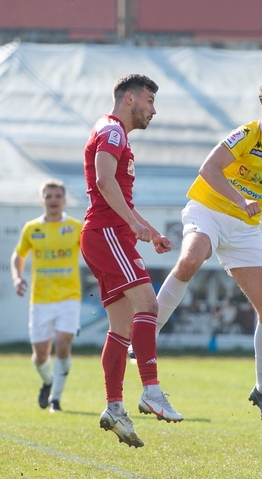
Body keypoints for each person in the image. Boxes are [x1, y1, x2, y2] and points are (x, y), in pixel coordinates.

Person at [154, 78, 262, 430]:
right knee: (191, 258)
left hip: (243, 228)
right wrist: (240, 200)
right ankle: (147, 333)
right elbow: (208, 169)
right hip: (209, 210)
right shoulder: (246, 134)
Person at [81, 73, 181, 448]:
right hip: (107, 233)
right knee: (149, 304)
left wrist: (148, 230)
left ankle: (114, 407)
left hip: (108, 234)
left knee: (120, 329)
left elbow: (117, 192)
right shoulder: (112, 131)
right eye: (150, 101)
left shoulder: (111, 132)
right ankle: (152, 390)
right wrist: (131, 223)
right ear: (129, 100)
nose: (153, 110)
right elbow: (105, 183)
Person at [11, 179, 83, 413]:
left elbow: (92, 251)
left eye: (57, 196)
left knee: (63, 345)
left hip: (69, 297)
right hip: (40, 299)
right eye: (48, 196)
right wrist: (17, 277)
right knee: (40, 355)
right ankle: (48, 381)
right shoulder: (32, 228)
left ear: (64, 199)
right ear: (42, 200)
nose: (53, 200)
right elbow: (18, 255)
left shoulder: (76, 227)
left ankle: (56, 399)